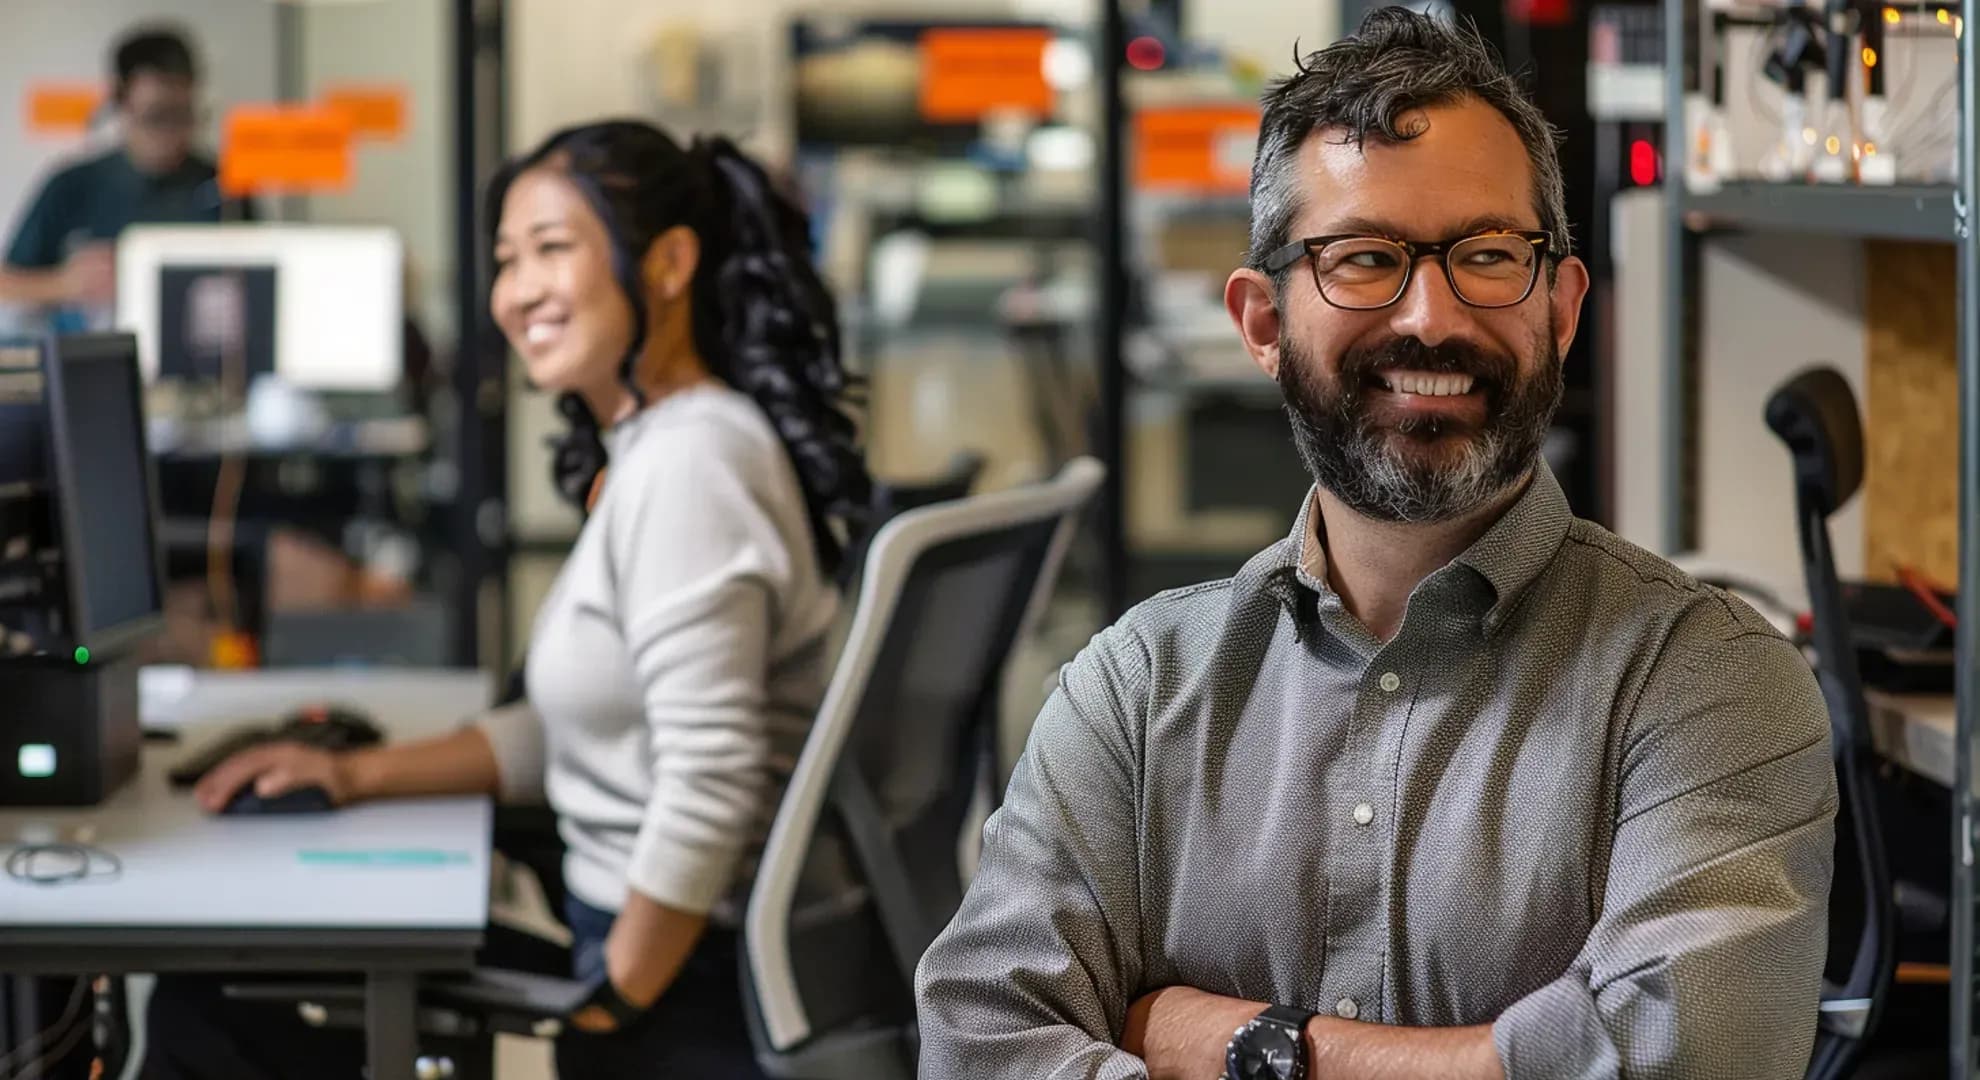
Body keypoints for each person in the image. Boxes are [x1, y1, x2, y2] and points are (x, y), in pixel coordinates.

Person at [915, 10, 1835, 1080]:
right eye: (1364, 259)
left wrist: (1248, 1047)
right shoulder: (1134, 695)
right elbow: (978, 1044)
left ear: (1564, 308)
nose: (1431, 316)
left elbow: (1693, 1062)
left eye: (1490, 255)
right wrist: (1501, 1059)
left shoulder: (1709, 684)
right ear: (1262, 323)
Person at [141, 120, 869, 1078]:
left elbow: (711, 779)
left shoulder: (693, 464)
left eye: (552, 250)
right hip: (654, 948)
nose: (518, 291)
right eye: (505, 260)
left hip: (675, 985)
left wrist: (610, 1011)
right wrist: (357, 774)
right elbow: (577, 730)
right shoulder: (658, 447)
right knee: (227, 989)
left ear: (669, 264)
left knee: (213, 1006)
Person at [2, 25, 245, 332]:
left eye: (183, 115)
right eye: (156, 115)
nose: (172, 133)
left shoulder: (222, 188)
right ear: (121, 103)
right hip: (95, 358)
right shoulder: (74, 185)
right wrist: (63, 285)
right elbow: (6, 283)